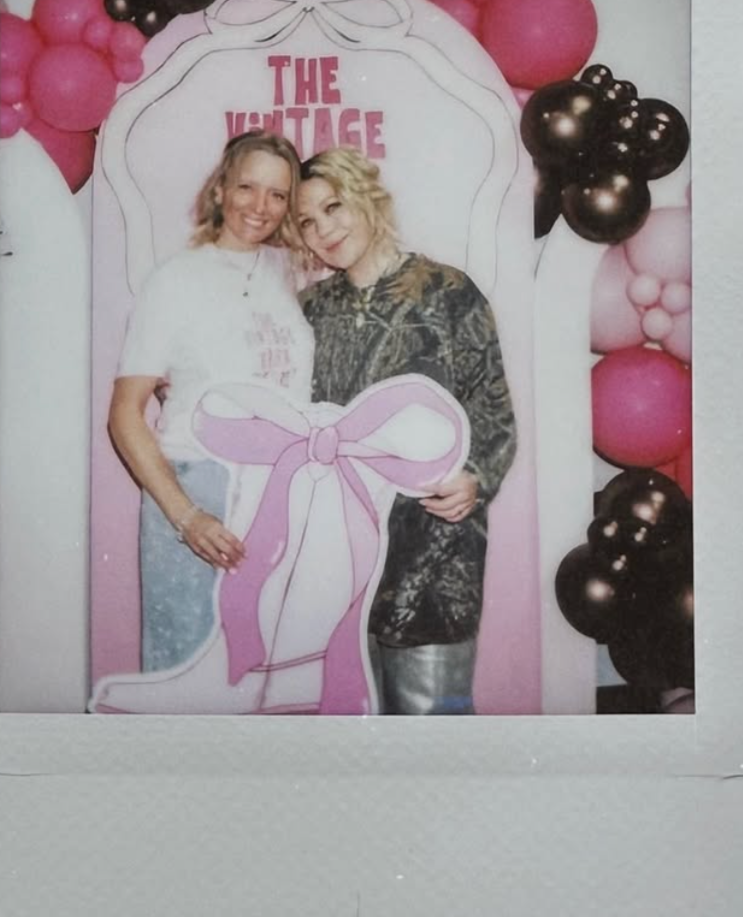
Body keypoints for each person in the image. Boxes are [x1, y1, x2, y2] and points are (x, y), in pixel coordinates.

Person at [297, 147, 517, 715]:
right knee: (349, 741)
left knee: (432, 738)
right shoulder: (308, 310)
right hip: (336, 567)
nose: (324, 229)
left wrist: (476, 477)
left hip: (436, 554)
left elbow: (492, 408)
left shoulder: (448, 292)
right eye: (307, 222)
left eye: (333, 206)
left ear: (367, 195)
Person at [109, 131, 314, 672]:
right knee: (183, 675)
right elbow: (125, 414)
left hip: (280, 493)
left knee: (270, 679)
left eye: (277, 194)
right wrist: (187, 517)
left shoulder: (290, 272)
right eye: (247, 187)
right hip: (197, 490)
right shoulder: (174, 280)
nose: (260, 206)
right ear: (220, 189)